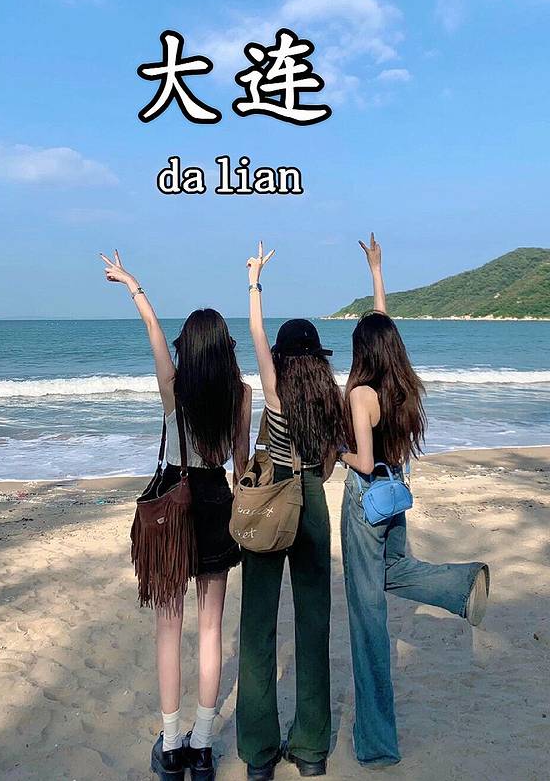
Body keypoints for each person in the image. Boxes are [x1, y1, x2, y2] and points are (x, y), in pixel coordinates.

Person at [339, 234, 490, 769]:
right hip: (395, 493)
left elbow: (362, 460)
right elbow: (383, 325)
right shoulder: (401, 387)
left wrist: (336, 451)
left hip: (365, 500)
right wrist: (377, 271)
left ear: (362, 352)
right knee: (395, 570)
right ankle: (460, 584)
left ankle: (378, 742)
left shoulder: (360, 394)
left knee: (367, 618)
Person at [101, 250, 252, 781]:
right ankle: (203, 746)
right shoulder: (240, 394)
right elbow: (240, 466)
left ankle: (170, 747)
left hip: (173, 503)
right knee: (211, 630)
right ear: (225, 349)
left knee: (169, 630)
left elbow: (153, 332)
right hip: (216, 504)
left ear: (188, 350)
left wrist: (133, 286)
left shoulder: (173, 386)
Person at [236, 242, 346, 780]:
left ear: (281, 357)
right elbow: (329, 464)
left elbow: (256, 334)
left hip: (272, 498)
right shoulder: (330, 398)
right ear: (319, 358)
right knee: (313, 621)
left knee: (258, 625)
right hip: (312, 502)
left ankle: (259, 755)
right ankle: (311, 750)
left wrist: (254, 281)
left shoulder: (274, 391)